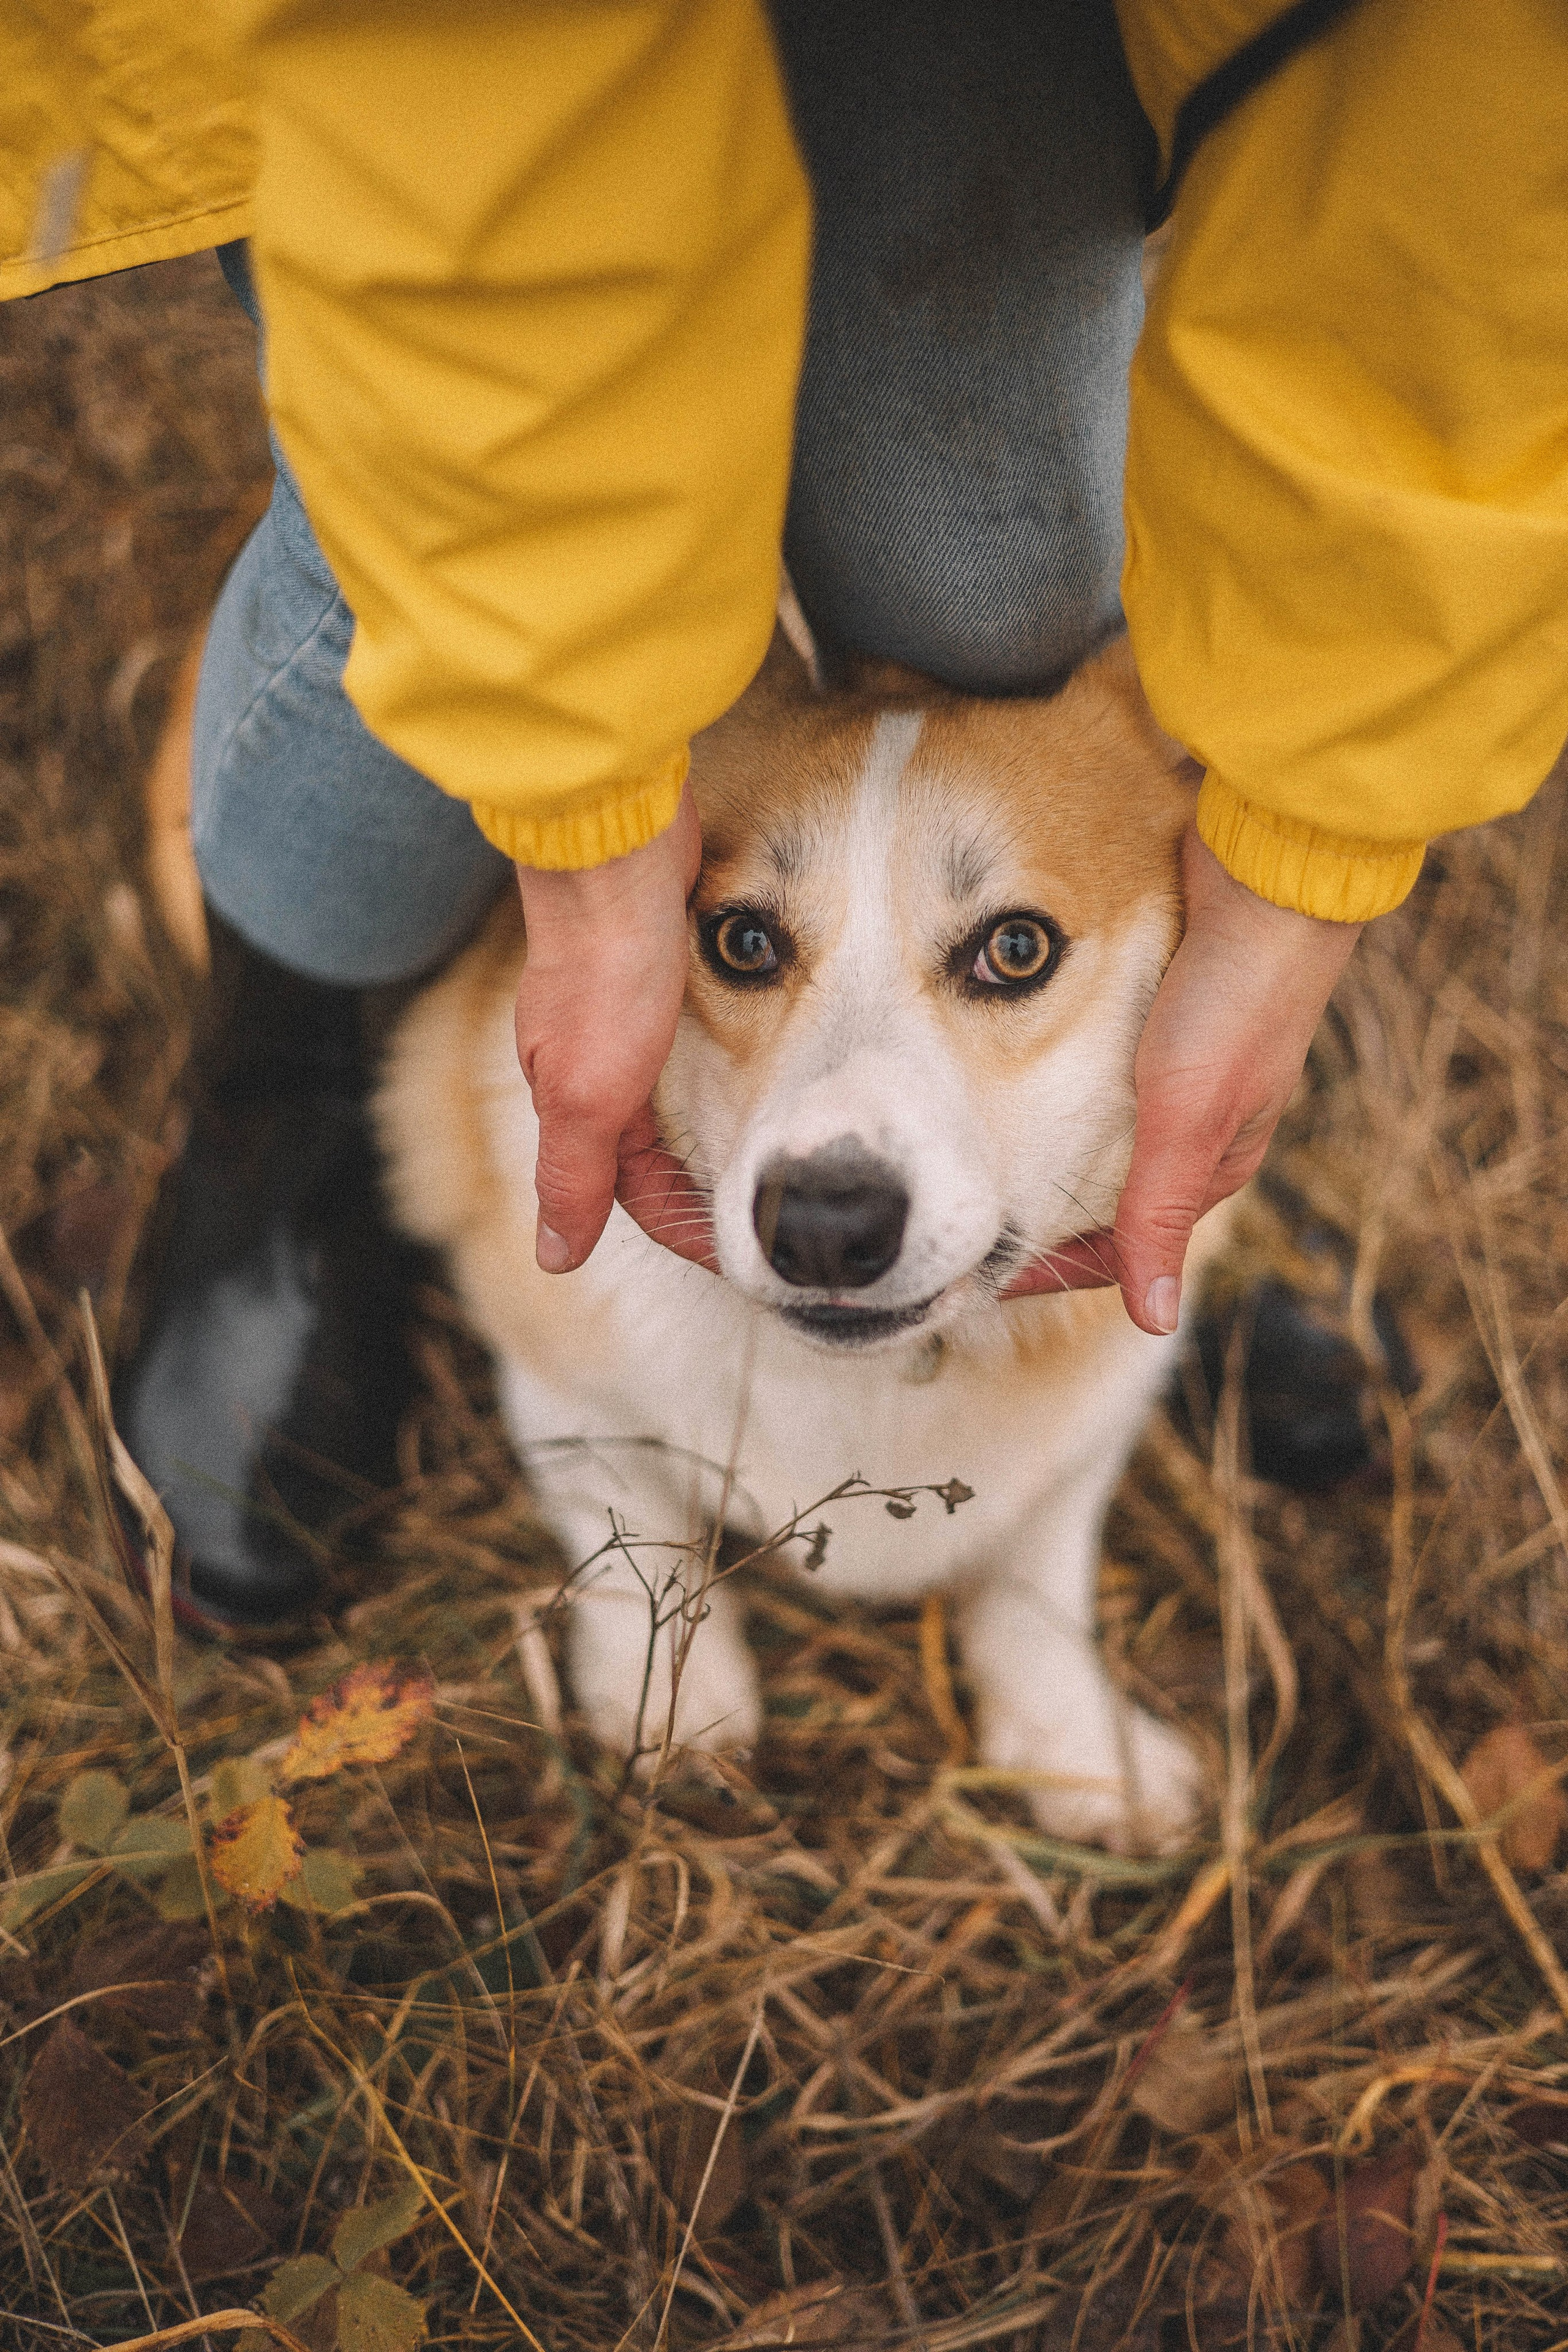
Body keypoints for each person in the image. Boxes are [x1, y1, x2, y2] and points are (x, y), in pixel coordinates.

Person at [4, 0, 1564, 1623]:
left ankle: (1097, 1145)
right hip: (457, 62)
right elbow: (467, 122)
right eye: (748, 940)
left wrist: (1305, 849)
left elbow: (1469, 250)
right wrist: (592, 826)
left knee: (988, 537)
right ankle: (289, 1125)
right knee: (425, 558)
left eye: (1013, 947)